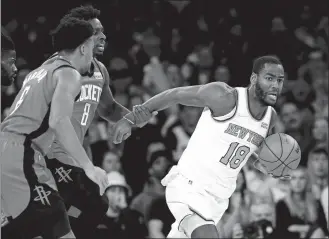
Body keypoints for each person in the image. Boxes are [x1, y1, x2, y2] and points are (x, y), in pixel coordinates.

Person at [118, 55, 287, 238]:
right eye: (269, 78)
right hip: (189, 187)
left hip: (218, 199)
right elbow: (175, 94)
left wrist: (266, 165)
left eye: (280, 80)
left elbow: (249, 151)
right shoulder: (224, 96)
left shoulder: (271, 118)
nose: (275, 85)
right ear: (254, 79)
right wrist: (133, 118)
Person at [42, 5, 153, 235]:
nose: (103, 36)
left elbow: (109, 108)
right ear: (80, 37)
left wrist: (133, 119)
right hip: (48, 157)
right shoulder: (56, 68)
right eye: (96, 32)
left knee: (89, 208)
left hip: (74, 158)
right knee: (88, 205)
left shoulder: (99, 70)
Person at [0, 17, 109, 239]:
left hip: (12, 150)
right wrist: (89, 167)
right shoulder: (69, 74)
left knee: (35, 226)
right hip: (22, 154)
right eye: (91, 46)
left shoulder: (38, 72)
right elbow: (58, 122)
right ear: (83, 47)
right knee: (56, 218)